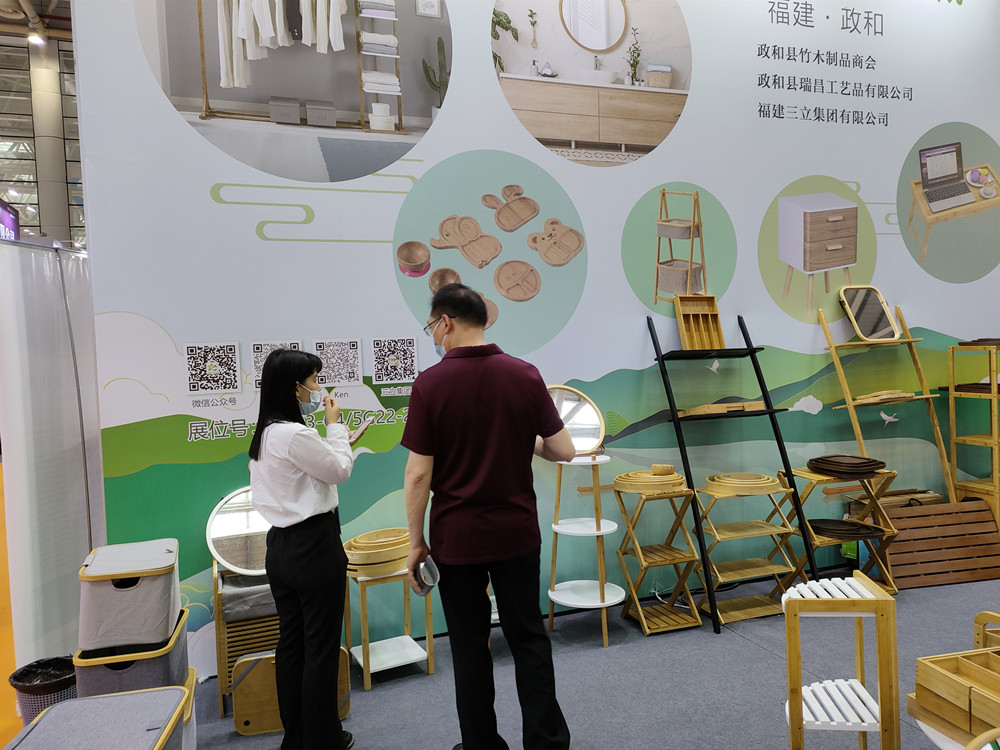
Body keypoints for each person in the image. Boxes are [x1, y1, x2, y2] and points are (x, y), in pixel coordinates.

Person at [402, 283, 576, 750]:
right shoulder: (524, 374)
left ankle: (480, 745)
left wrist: (416, 543)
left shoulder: (430, 384)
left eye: (432, 326)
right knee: (528, 639)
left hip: (457, 539)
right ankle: (546, 743)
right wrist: (521, 438)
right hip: (516, 533)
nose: (433, 335)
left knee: (469, 645)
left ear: (445, 322)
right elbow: (563, 449)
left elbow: (418, 476)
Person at [248, 348, 355, 750]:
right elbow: (340, 470)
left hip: (280, 548)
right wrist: (335, 428)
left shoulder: (266, 432)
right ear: (295, 388)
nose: (318, 389)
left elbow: (312, 473)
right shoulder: (295, 434)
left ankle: (296, 738)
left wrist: (334, 442)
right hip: (314, 548)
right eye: (313, 380)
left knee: (292, 645)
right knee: (320, 649)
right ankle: (323, 740)